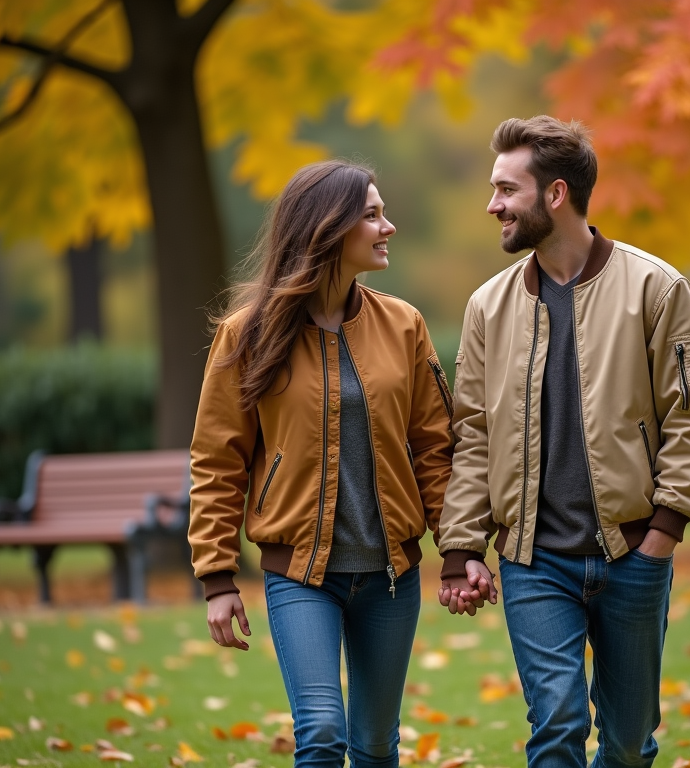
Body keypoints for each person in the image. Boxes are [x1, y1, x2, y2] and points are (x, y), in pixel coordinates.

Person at [437, 116, 690, 768]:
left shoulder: (656, 288)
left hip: (633, 555)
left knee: (627, 744)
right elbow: (473, 434)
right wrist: (462, 547)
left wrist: (662, 537)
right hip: (533, 561)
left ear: (556, 194)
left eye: (507, 190)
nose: (493, 206)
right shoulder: (488, 306)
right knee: (558, 726)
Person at [188, 160, 454, 768]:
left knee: (375, 747)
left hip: (391, 576)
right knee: (322, 734)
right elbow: (217, 460)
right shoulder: (246, 335)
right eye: (372, 215)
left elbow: (436, 449)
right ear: (326, 228)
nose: (388, 227)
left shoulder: (403, 324)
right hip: (300, 576)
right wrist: (217, 577)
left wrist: (458, 551)